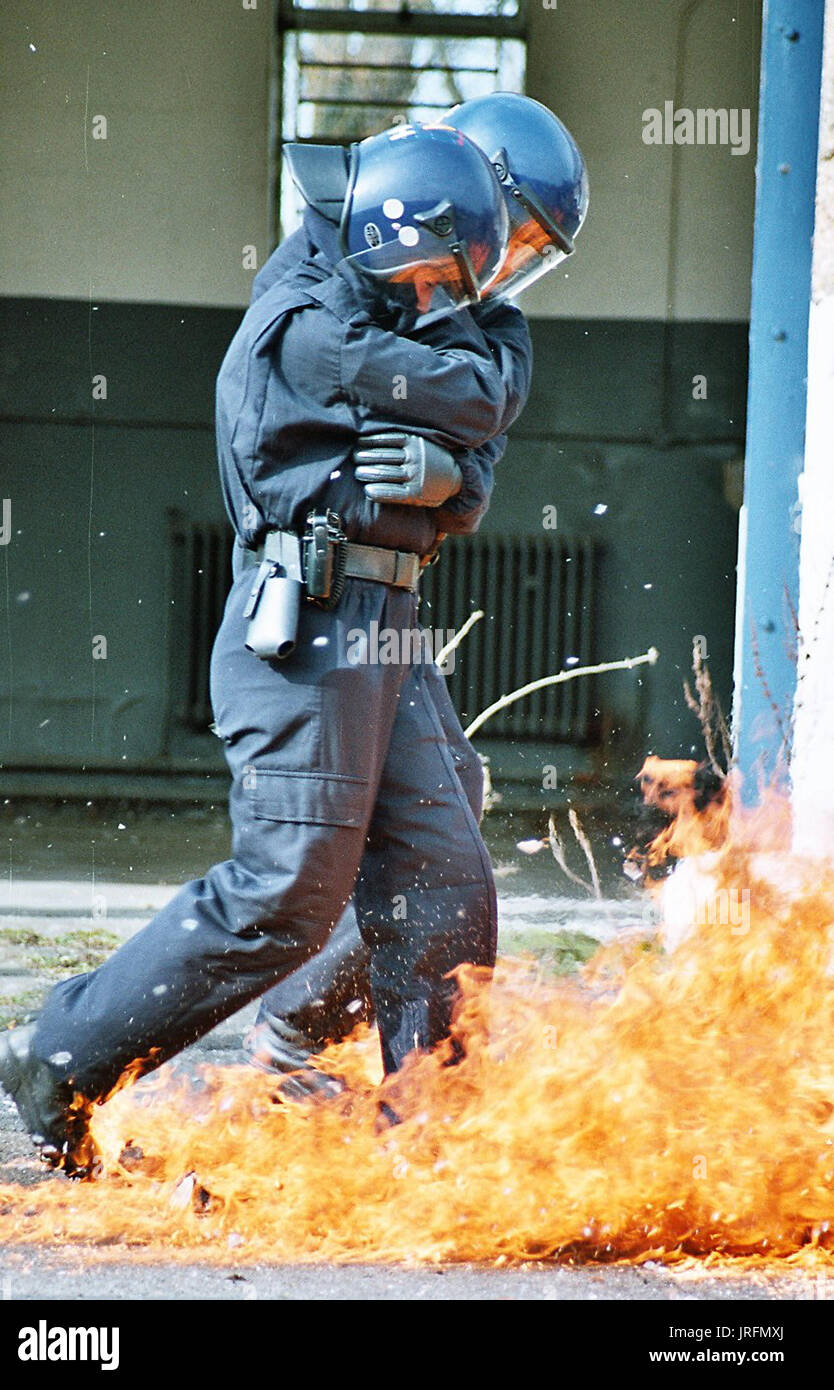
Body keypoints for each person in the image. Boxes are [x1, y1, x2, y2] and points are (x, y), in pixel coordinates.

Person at [0, 122, 521, 1175]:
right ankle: (60, 1056)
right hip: (306, 621)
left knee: (445, 877)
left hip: (389, 628)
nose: (440, 300)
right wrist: (457, 411)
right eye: (425, 276)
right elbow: (476, 385)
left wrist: (454, 479)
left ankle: (435, 1145)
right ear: (378, 236)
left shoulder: (380, 297)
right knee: (288, 891)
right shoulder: (305, 315)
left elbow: (487, 392)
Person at [243, 93, 589, 1093]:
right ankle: (295, 1029)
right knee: (346, 844)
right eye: (508, 234)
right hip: (316, 585)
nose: (505, 266)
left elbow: (484, 425)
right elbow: (320, 388)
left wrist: (456, 482)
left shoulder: (486, 319)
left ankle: (351, 1050)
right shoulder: (346, 273)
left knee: (448, 809)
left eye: (528, 250)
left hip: (391, 592)